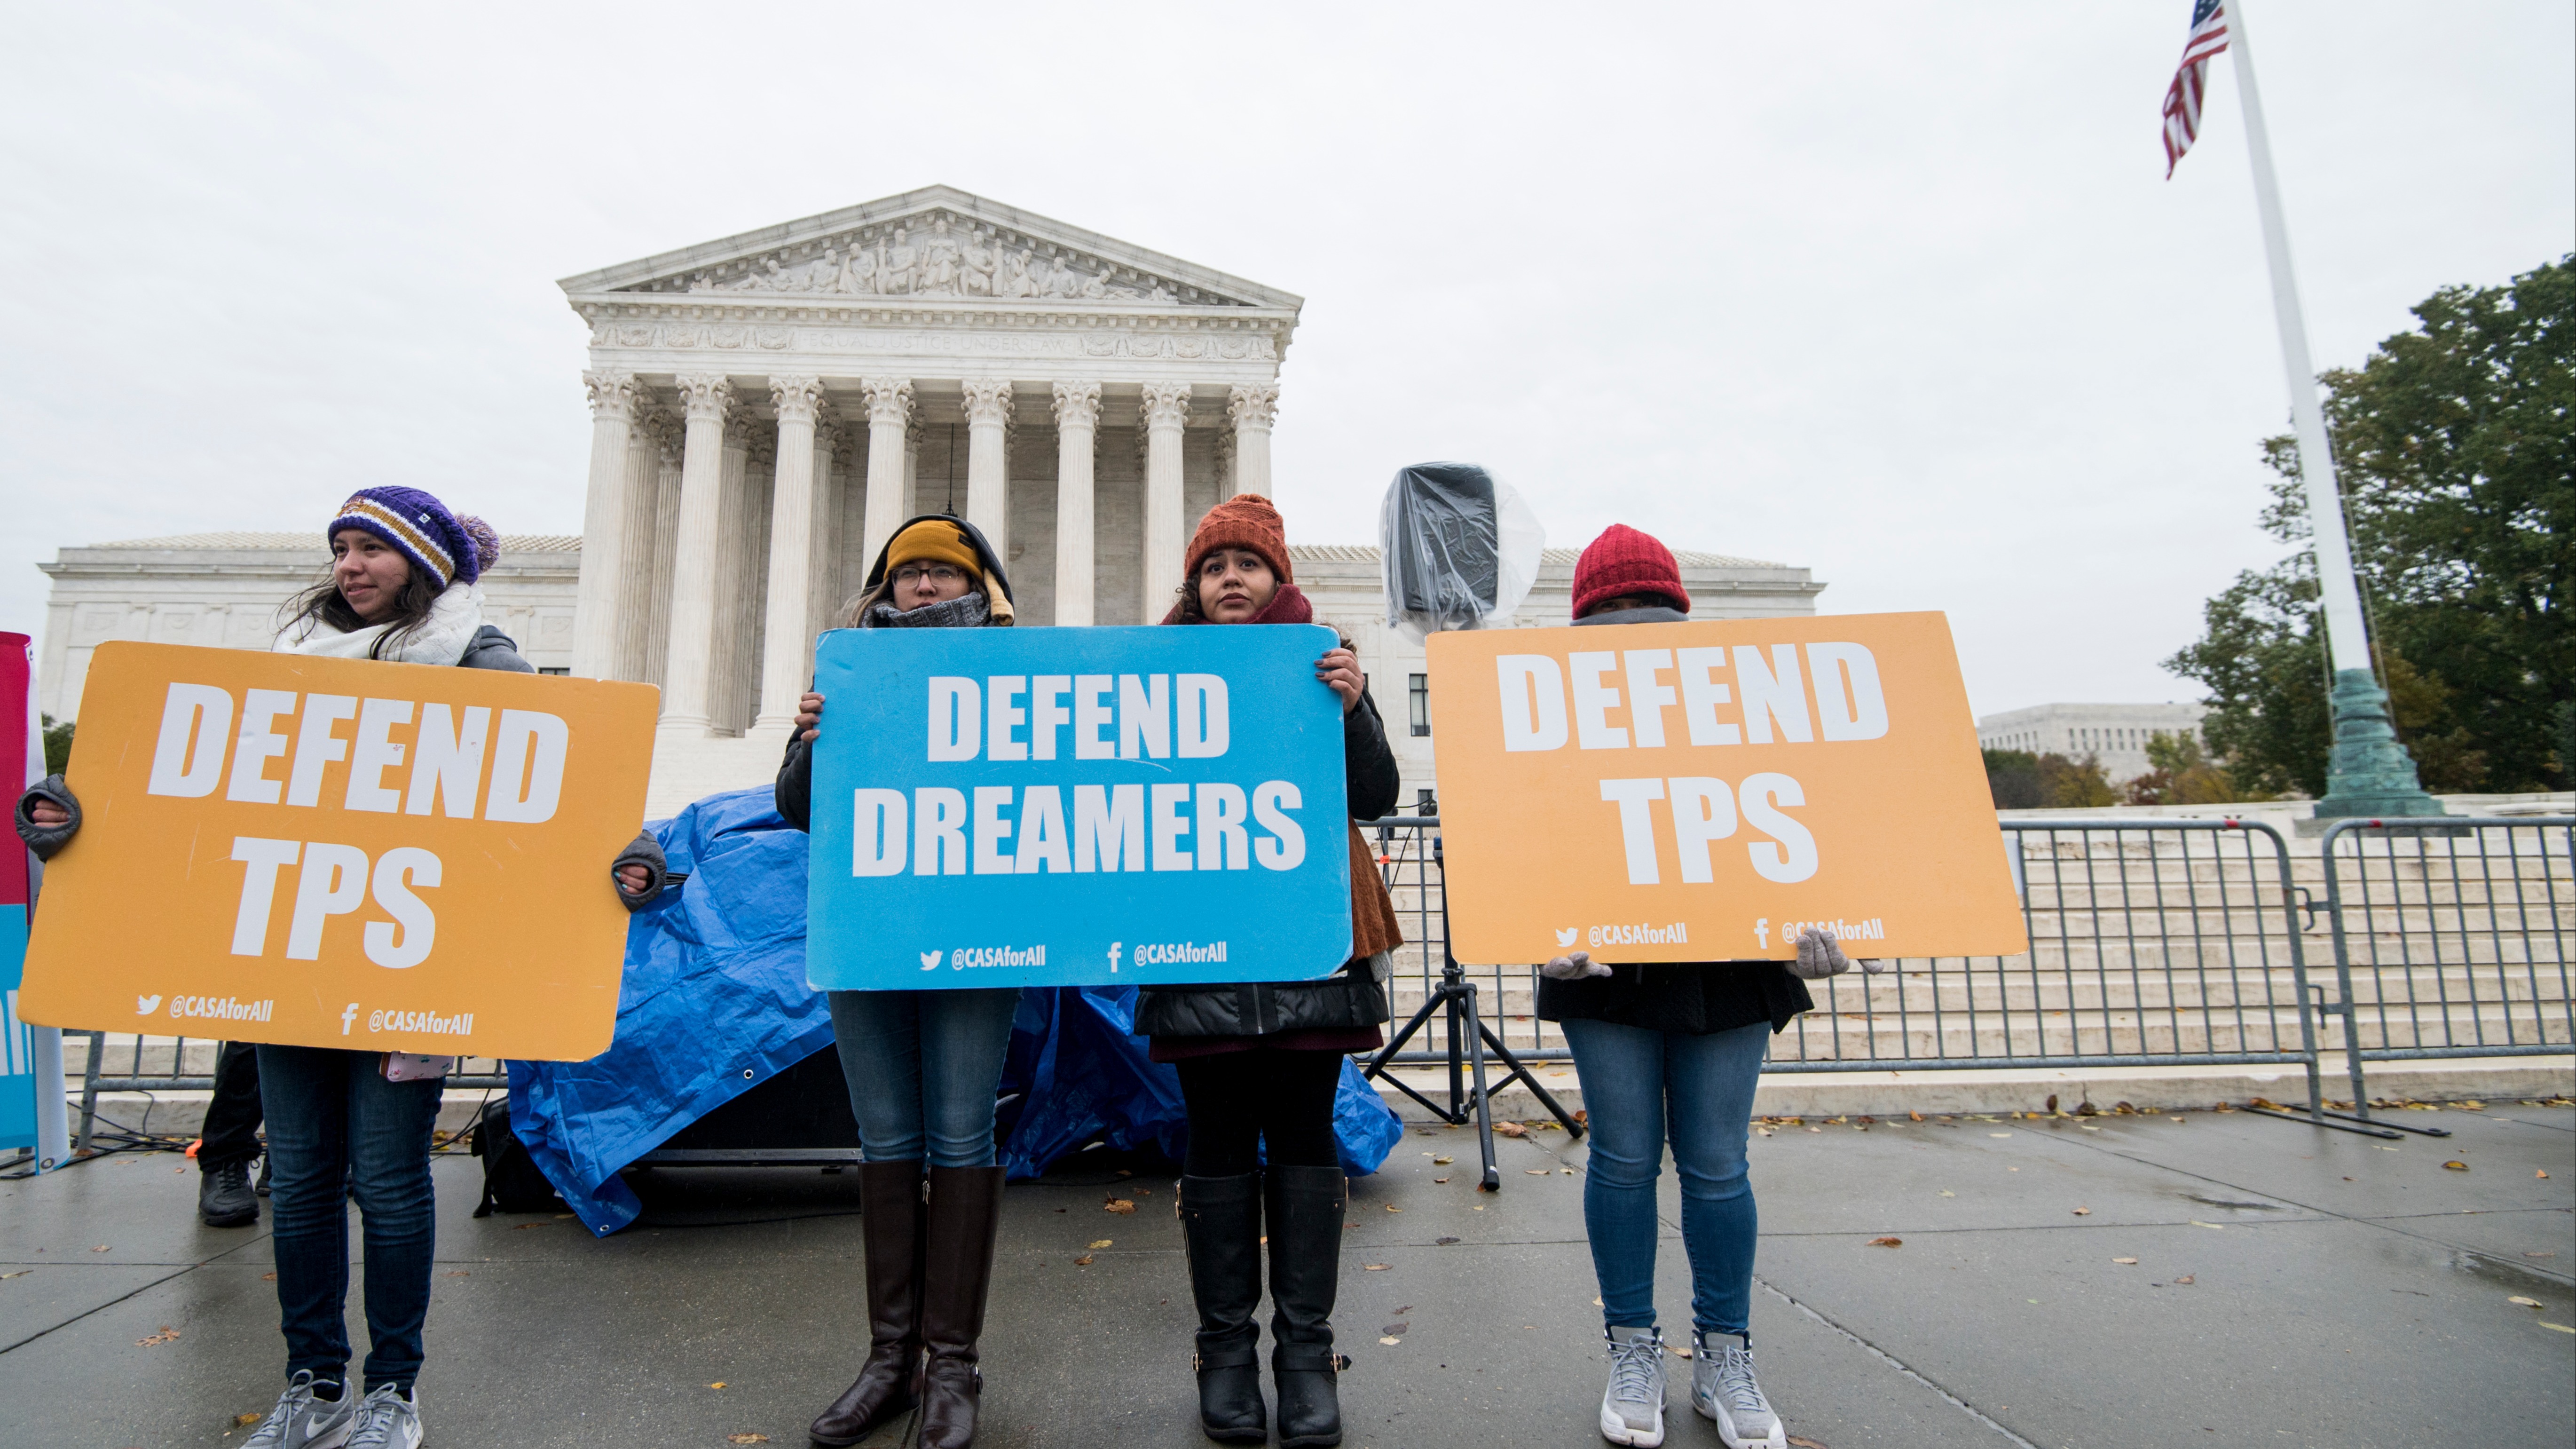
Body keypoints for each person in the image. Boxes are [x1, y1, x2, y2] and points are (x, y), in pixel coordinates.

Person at [16, 487, 668, 1449]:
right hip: (294, 961)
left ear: (424, 565)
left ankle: (394, 1389)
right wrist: (71, 808)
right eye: (343, 550)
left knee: (394, 1180)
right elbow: (190, 788)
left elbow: (563, 768)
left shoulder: (477, 656)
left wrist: (631, 853)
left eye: (373, 549)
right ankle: (313, 1381)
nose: (351, 566)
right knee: (309, 1175)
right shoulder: (290, 670)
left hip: (414, 970)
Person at [1535, 524, 1882, 1449]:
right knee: (1619, 1156)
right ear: (1583, 624)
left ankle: (1724, 1353)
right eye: (1611, 613)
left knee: (1718, 1163)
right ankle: (1633, 1348)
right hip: (1604, 967)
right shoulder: (1555, 713)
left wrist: (1838, 931)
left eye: (1648, 610)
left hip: (1728, 967)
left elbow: (1806, 814)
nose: (1633, 627)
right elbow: (1533, 839)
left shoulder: (1739, 700)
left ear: (1681, 615)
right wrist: (1545, 934)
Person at [1133, 495, 1403, 1449]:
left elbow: (1374, 793)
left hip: (1308, 947)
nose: (1233, 577)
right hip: (1198, 943)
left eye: (1249, 563)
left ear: (1278, 578)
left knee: (1300, 1138)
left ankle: (1305, 1354)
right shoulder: (1152, 673)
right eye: (1216, 566)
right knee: (1212, 1141)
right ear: (1195, 586)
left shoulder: (1319, 662)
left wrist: (1356, 701)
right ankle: (1224, 1356)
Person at [775, 514, 1020, 1449]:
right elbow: (796, 809)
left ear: (977, 589)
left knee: (961, 1131)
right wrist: (807, 738)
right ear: (885, 587)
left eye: (941, 573)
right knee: (886, 1137)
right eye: (908, 573)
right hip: (870, 929)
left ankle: (952, 1361)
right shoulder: (846, 668)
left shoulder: (1015, 671)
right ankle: (891, 1358)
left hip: (975, 934)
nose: (923, 586)